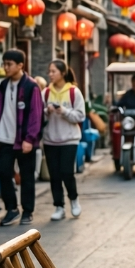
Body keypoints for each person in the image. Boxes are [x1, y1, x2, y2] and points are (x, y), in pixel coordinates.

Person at [0, 49, 44, 226]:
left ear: (20, 65)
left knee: (27, 176)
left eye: (9, 64)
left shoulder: (31, 86)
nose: (6, 67)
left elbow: (36, 114)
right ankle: (11, 209)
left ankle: (27, 211)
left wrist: (30, 138)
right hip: (4, 138)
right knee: (3, 171)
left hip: (24, 139)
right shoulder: (3, 86)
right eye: (4, 64)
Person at [43, 60, 86, 221]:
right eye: (49, 71)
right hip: (50, 139)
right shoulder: (46, 93)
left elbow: (81, 116)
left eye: (53, 71)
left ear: (62, 73)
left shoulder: (74, 92)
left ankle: (74, 200)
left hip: (69, 139)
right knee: (54, 175)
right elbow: (38, 115)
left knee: (67, 172)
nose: (50, 74)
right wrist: (47, 111)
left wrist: (64, 111)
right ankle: (58, 206)